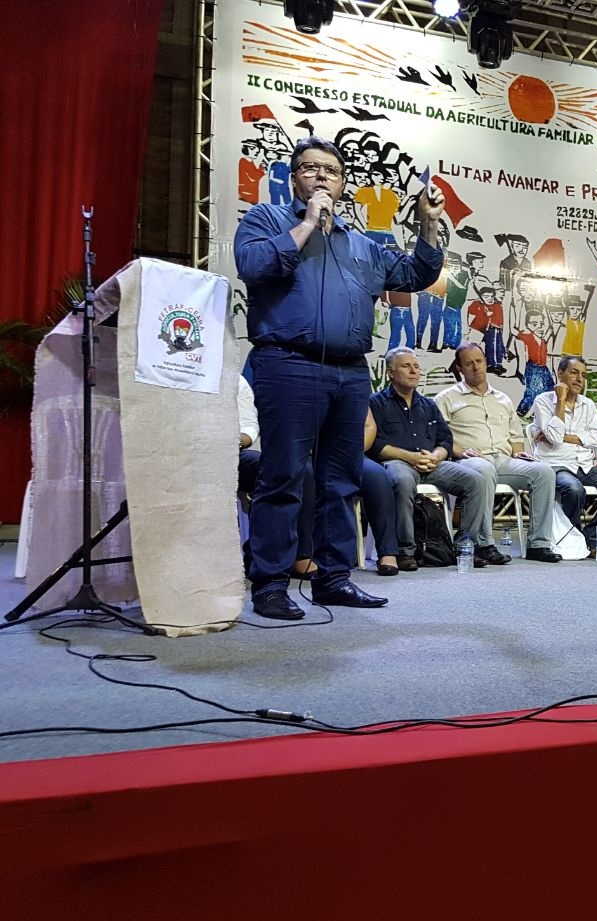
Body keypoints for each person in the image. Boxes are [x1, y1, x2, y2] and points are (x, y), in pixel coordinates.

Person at [233, 135, 444, 619]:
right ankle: (270, 583)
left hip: (350, 372)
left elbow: (413, 275)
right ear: (295, 179)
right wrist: (309, 223)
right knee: (284, 475)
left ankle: (333, 578)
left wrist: (429, 225)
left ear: (343, 183)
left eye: (330, 170)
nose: (321, 176)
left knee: (342, 480)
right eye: (310, 168)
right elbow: (253, 265)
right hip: (288, 364)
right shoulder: (267, 219)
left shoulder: (362, 244)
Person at [367, 348, 500, 569]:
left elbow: (445, 440)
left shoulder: (428, 405)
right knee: (402, 480)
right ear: (391, 373)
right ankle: (405, 551)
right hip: (398, 462)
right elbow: (375, 444)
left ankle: (464, 545)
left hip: (431, 463)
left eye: (416, 367)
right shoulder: (376, 403)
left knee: (476, 481)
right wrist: (410, 457)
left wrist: (436, 456)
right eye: (406, 366)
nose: (413, 371)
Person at [435, 342, 562, 563]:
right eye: (469, 363)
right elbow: (438, 436)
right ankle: (483, 544)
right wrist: (460, 451)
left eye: (479, 361)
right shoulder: (446, 398)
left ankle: (539, 544)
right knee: (483, 470)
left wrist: (518, 452)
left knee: (544, 472)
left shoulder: (503, 398)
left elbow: (515, 435)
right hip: (469, 461)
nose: (476, 367)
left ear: (486, 362)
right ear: (460, 368)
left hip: (503, 460)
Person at [529, 356, 597, 557]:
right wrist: (560, 402)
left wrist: (564, 437)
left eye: (584, 375)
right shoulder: (543, 401)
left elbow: (596, 439)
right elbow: (554, 437)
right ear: (560, 374)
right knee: (573, 489)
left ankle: (589, 537)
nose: (580, 379)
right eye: (574, 373)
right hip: (556, 464)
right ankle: (571, 540)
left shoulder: (588, 405)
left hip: (584, 465)